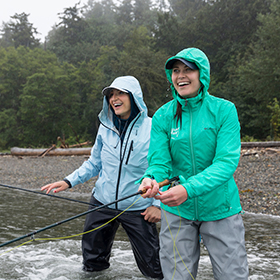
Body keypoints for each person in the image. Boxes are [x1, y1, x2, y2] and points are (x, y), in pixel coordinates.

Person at [138, 48, 249, 279]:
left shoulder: (224, 110)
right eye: (176, 71)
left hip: (221, 208)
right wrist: (151, 179)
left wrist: (188, 189)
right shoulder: (162, 116)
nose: (181, 76)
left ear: (203, 74)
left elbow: (226, 163)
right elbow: (159, 163)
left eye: (188, 69)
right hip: (177, 210)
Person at [42, 76, 163, 279]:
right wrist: (68, 181)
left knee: (155, 269)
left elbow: (164, 167)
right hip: (102, 202)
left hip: (138, 206)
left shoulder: (154, 128)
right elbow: (94, 163)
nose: (114, 98)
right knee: (92, 265)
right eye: (111, 95)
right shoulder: (105, 128)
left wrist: (159, 206)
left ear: (134, 97)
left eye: (120, 93)